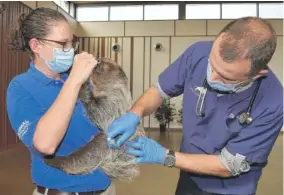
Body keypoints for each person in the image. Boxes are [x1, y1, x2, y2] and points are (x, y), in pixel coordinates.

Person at [106, 17, 283, 195]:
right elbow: (159, 91)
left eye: (225, 77)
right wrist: (135, 113)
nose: (211, 78)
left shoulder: (272, 102)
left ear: (257, 74)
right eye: (211, 65)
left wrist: (165, 156)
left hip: (231, 189)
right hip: (189, 176)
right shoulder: (198, 53)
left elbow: (228, 165)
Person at [6, 7, 115, 195]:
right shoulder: (20, 87)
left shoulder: (79, 82)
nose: (70, 51)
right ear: (36, 46)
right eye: (63, 44)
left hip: (105, 189)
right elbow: (45, 145)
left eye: (72, 44)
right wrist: (74, 80)